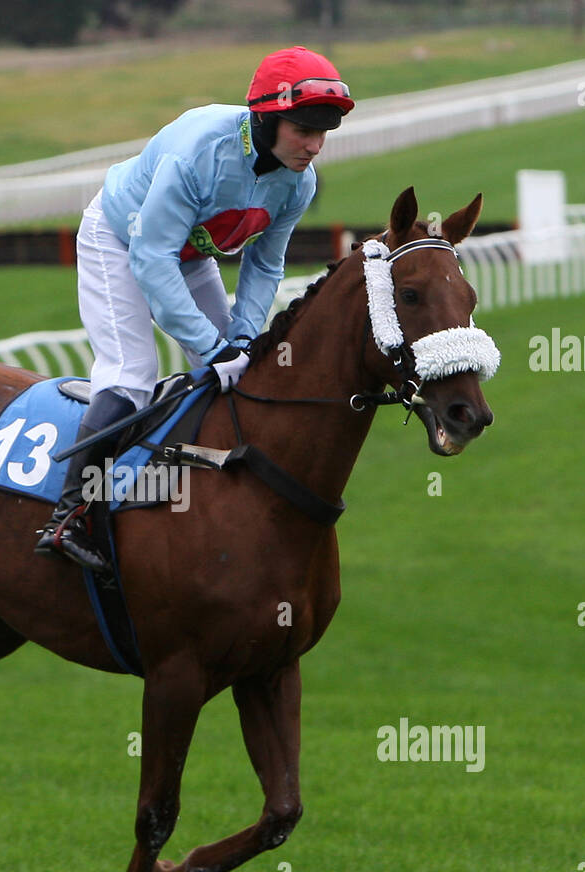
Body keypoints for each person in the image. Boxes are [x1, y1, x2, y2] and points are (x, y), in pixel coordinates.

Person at [35, 46, 355, 572]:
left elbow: (263, 267)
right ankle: (71, 515)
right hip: (120, 239)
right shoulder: (199, 152)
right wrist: (211, 346)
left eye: (324, 133)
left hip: (186, 252)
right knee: (132, 373)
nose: (315, 146)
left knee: (245, 365)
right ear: (268, 117)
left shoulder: (298, 181)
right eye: (304, 129)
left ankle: (218, 492)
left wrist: (244, 337)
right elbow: (149, 255)